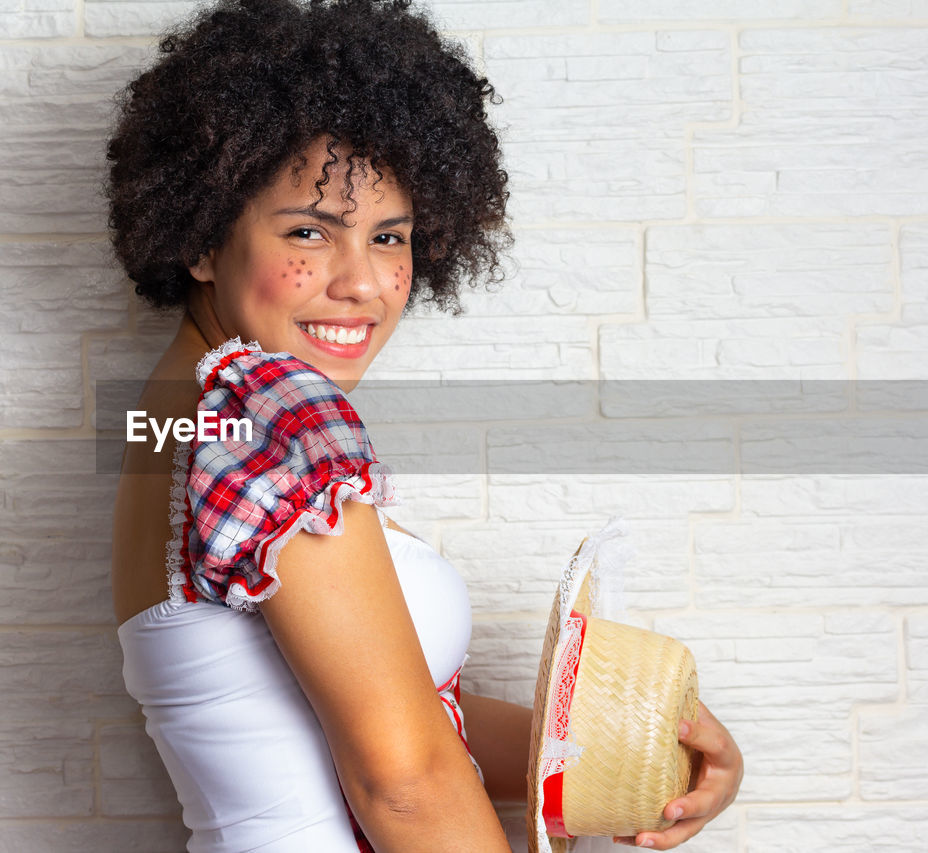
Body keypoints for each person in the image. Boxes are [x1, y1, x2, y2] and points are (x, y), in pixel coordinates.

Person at [104, 1, 743, 850]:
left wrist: (625, 754)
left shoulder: (179, 405)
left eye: (390, 236)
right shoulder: (270, 404)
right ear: (203, 238)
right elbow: (401, 780)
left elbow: (366, 721)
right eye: (309, 232)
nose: (362, 282)